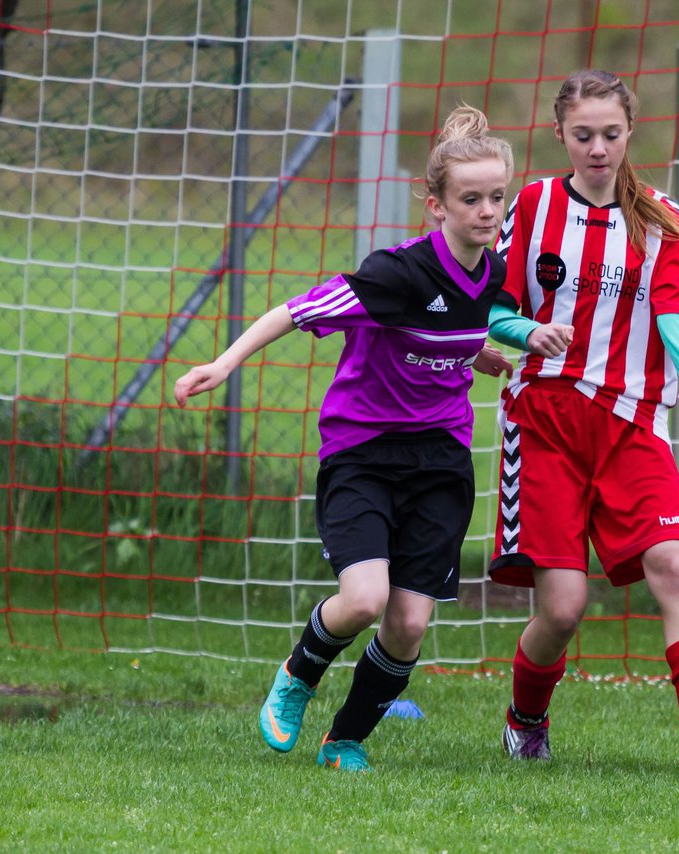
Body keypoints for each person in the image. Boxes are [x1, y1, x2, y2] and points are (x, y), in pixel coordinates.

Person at [172, 105, 515, 772]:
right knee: (364, 600)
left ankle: (346, 738)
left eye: (496, 197)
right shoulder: (395, 273)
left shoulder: (494, 272)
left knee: (410, 622)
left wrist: (477, 356)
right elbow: (295, 310)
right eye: (470, 199)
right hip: (363, 452)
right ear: (435, 205)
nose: (486, 211)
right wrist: (225, 362)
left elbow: (445, 326)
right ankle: (299, 675)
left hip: (441, 460)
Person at [483, 69, 679, 777]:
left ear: (630, 133)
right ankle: (525, 719)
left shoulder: (661, 219)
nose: (598, 148)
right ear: (561, 135)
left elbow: (676, 324)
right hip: (546, 422)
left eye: (611, 134)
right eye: (583, 135)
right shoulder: (533, 206)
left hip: (633, 423)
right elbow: (491, 308)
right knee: (563, 608)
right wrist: (524, 331)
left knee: (675, 568)